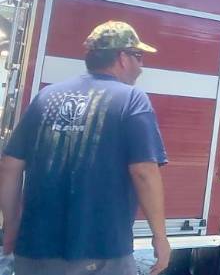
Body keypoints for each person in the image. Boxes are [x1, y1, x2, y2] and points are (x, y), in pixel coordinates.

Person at [0, 21, 170, 275]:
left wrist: (11, 226)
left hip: (33, 251)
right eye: (138, 56)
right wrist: (160, 236)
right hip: (101, 252)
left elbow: (9, 166)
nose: (141, 66)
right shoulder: (132, 100)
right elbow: (144, 171)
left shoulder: (46, 97)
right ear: (122, 58)